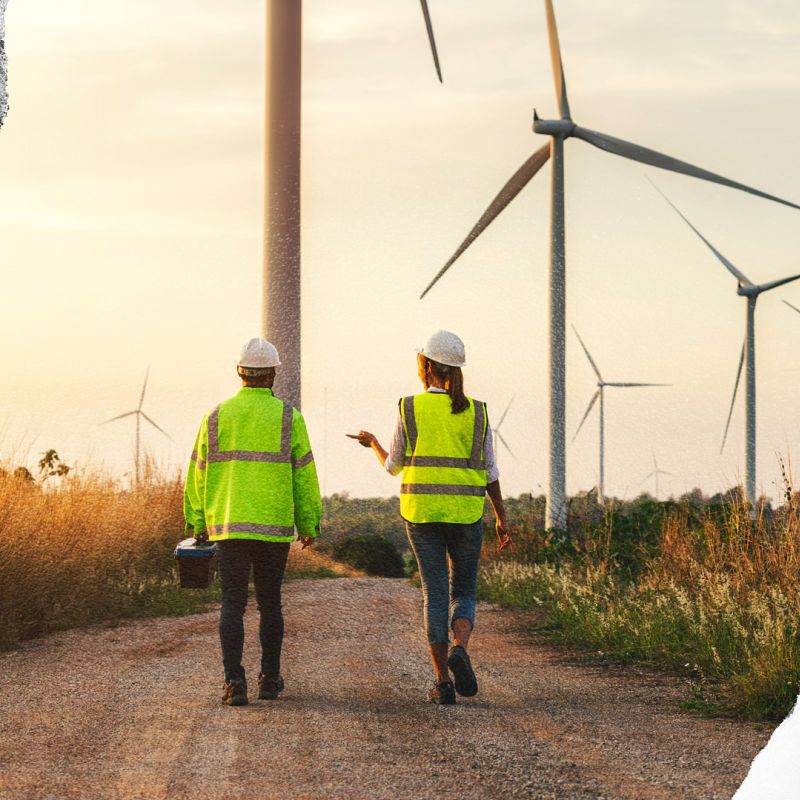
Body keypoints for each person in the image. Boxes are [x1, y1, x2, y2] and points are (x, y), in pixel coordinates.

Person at [348, 330, 512, 705]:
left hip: (421, 515)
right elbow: (490, 472)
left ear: (425, 366)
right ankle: (460, 647)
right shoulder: (479, 411)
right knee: (464, 591)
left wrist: (372, 443)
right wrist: (502, 518)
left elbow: (393, 466)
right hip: (466, 514)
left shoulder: (408, 407)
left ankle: (442, 681)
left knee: (434, 594)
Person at [184, 337, 322, 706]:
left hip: (228, 525)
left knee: (232, 604)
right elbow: (304, 476)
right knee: (270, 604)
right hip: (273, 527)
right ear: (273, 374)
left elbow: (197, 473)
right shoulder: (289, 418)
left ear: (239, 372)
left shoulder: (215, 416)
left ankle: (234, 683)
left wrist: (197, 520)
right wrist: (308, 524)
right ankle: (270, 679)